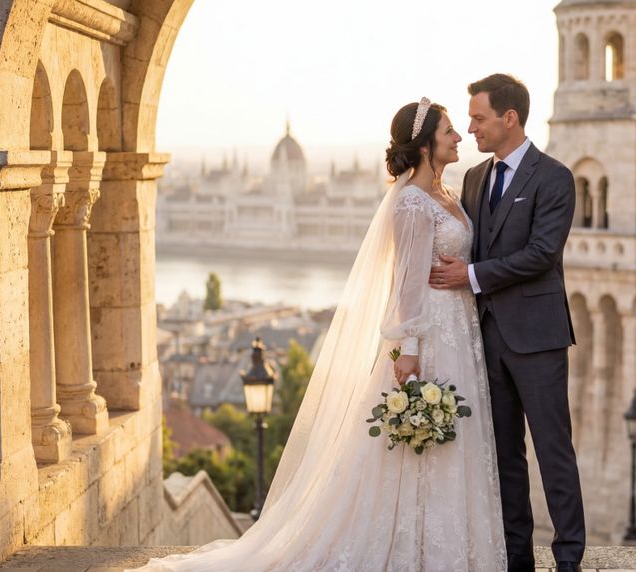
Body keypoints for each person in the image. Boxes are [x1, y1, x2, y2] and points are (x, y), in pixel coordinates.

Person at [132, 99, 506, 571]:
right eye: (450, 130)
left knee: (451, 441)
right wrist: (408, 349)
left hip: (459, 331)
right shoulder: (411, 201)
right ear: (426, 143)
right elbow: (405, 281)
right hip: (431, 334)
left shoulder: (450, 192)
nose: (459, 137)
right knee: (422, 443)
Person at [430, 73, 585, 572]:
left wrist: (471, 275)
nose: (470, 128)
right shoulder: (474, 179)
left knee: (553, 450)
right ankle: (518, 558)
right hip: (485, 339)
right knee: (504, 456)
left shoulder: (554, 176)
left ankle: (568, 559)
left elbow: (541, 254)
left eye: (478, 118)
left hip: (537, 339)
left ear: (509, 117)